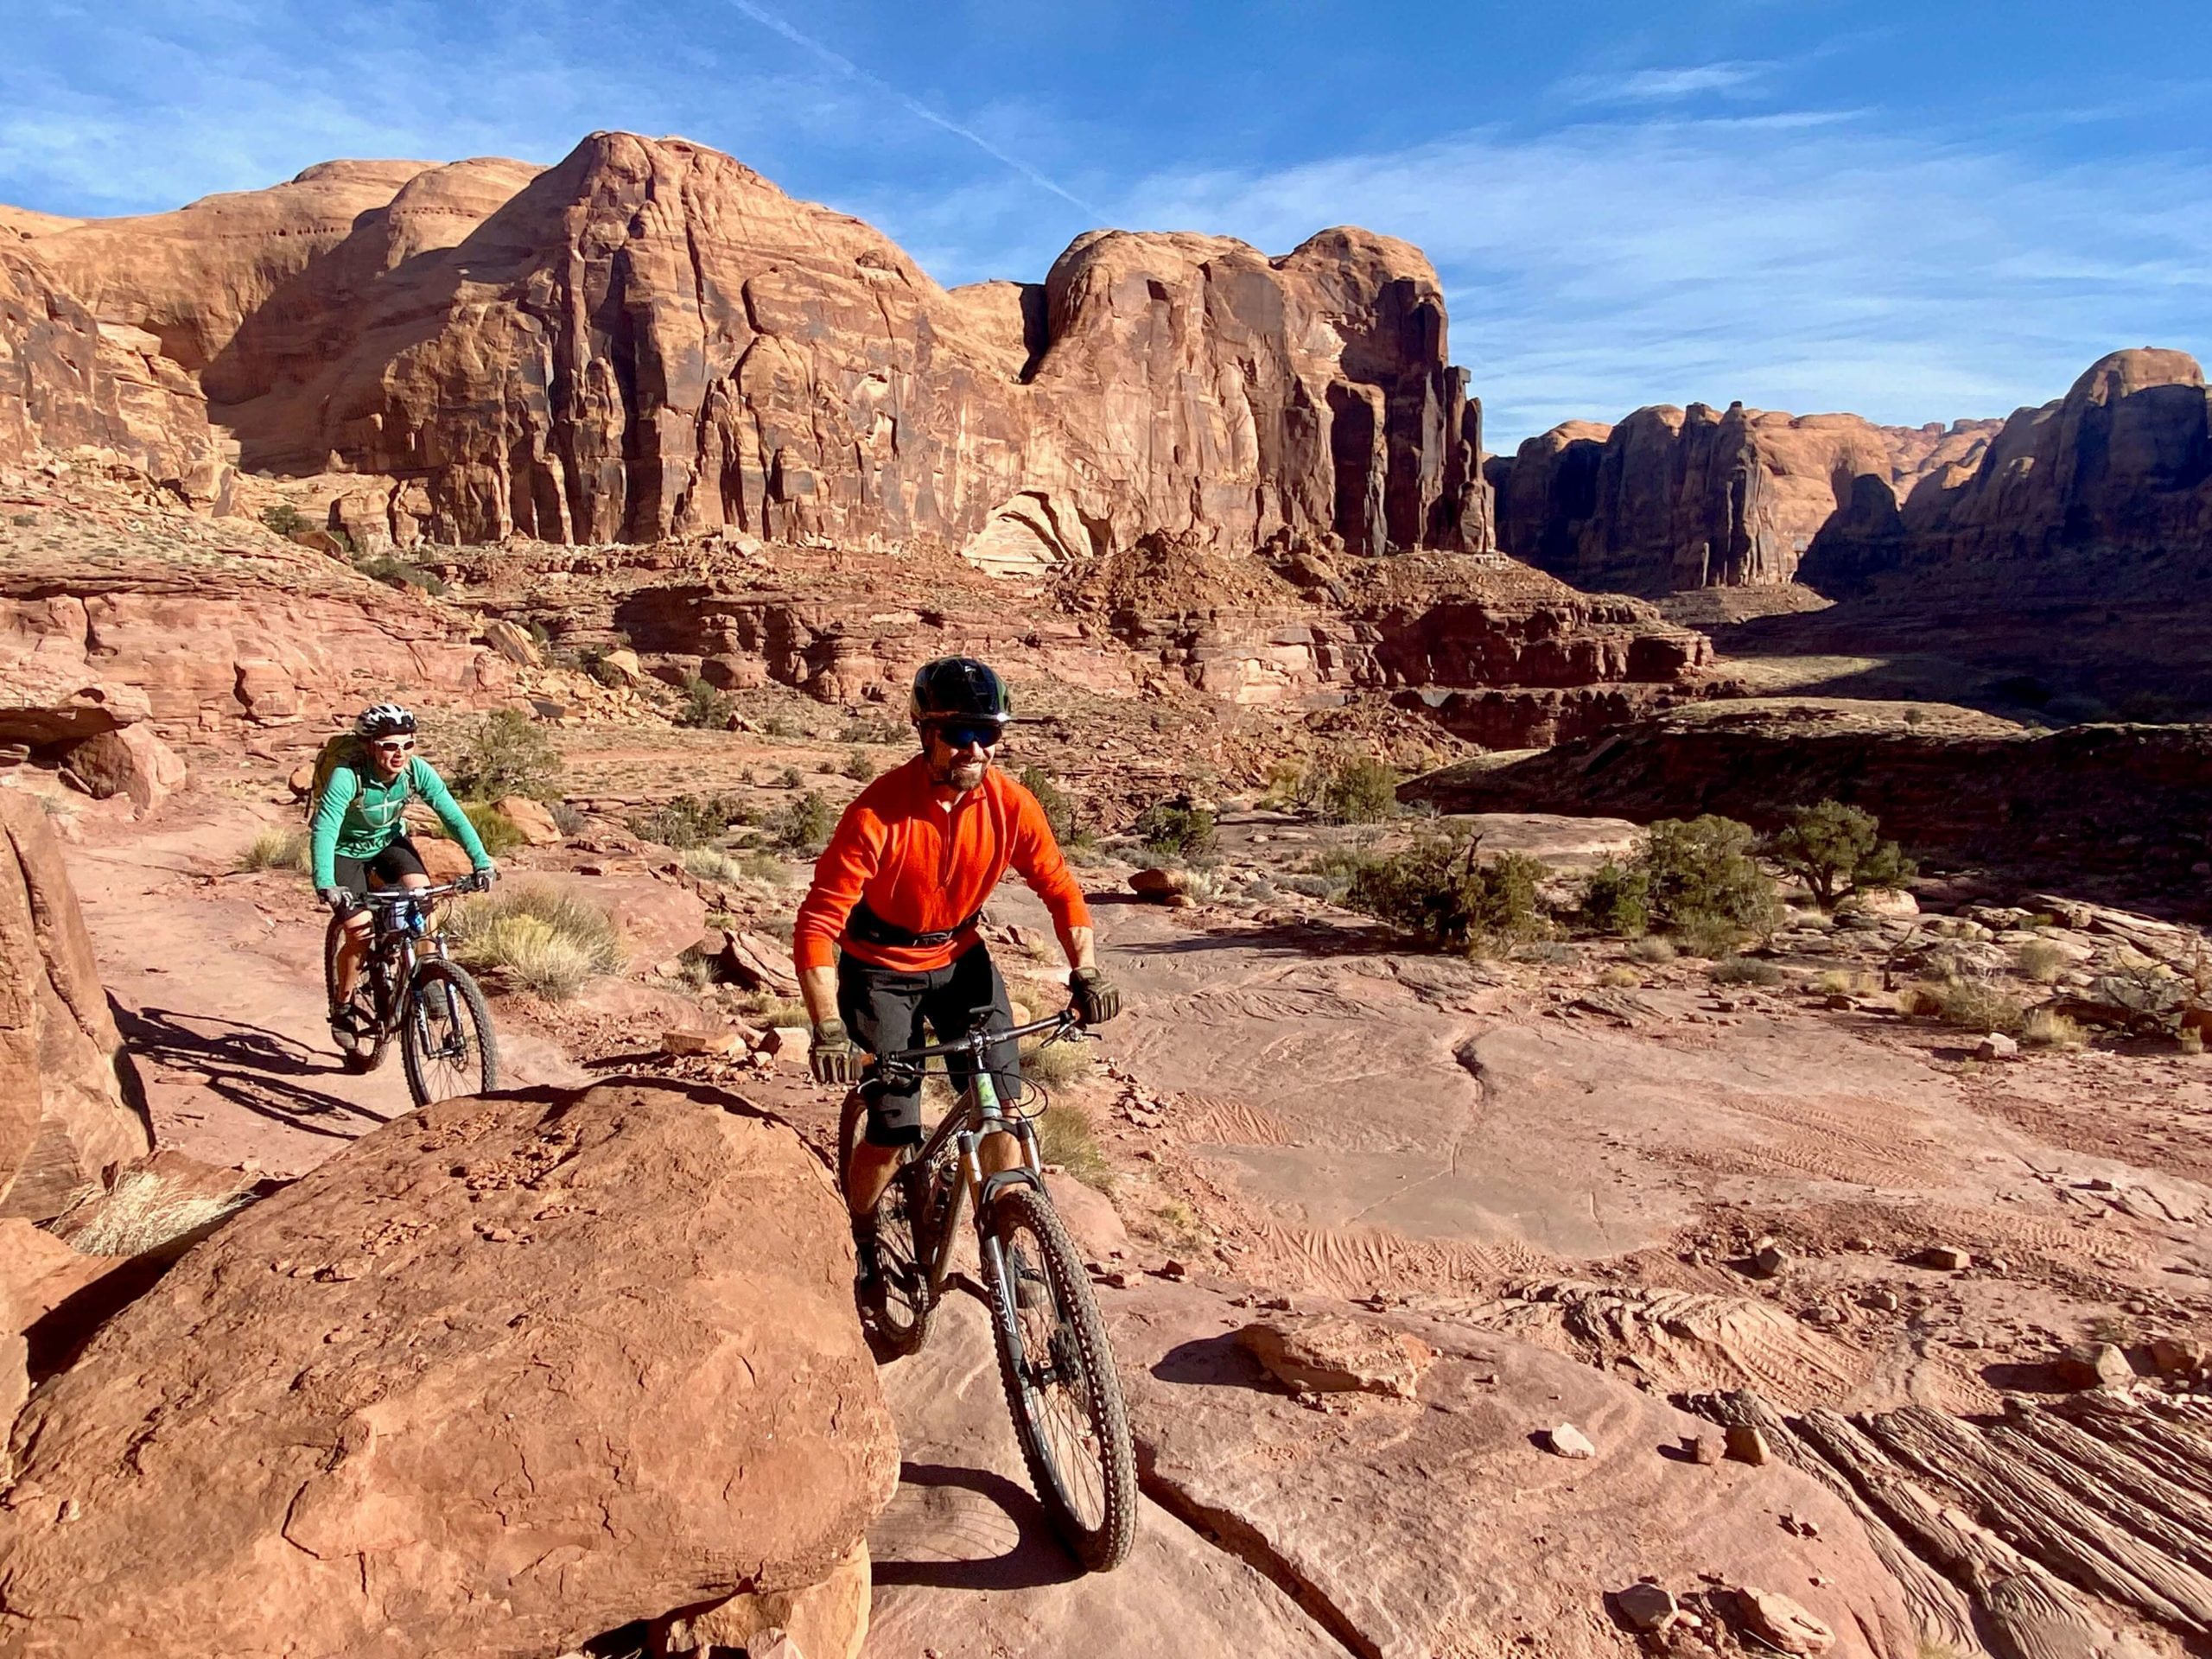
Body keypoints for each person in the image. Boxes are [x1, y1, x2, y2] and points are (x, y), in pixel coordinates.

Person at [793, 657, 1122, 1284]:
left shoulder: (1010, 804)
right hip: (880, 968)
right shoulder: (877, 812)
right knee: (892, 1127)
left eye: (988, 733)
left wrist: (1087, 973)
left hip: (961, 959)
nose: (975, 747)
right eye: (959, 732)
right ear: (925, 733)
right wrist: (827, 1027)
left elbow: (1060, 889)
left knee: (999, 1104)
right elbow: (817, 925)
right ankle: (861, 1234)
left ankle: (1008, 1233)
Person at [311, 702, 495, 1035]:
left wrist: (481, 861)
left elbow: (452, 816)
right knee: (360, 930)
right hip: (344, 850)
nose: (400, 754)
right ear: (370, 746)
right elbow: (325, 827)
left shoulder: (416, 771)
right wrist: (325, 881)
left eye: (408, 745)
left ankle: (428, 977)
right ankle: (343, 1005)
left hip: (388, 843)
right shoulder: (348, 775)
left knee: (423, 898)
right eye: (390, 746)